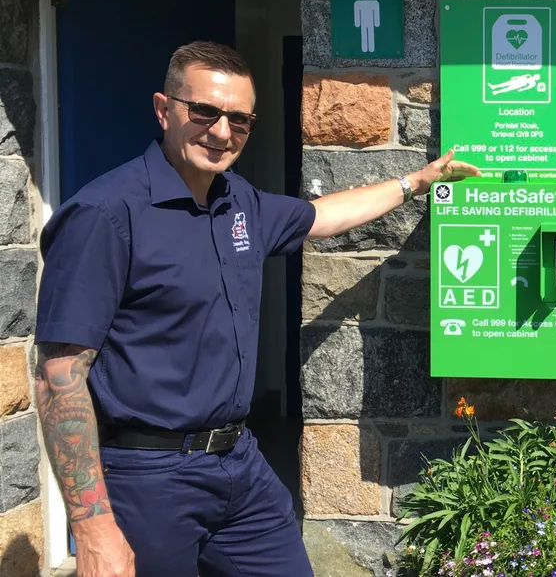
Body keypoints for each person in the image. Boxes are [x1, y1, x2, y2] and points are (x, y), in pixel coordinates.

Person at [33, 40, 479, 577]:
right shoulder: (104, 215)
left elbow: (321, 216)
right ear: (163, 109)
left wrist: (417, 181)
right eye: (205, 112)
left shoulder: (236, 200)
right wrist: (93, 528)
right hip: (149, 477)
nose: (222, 132)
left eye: (240, 120)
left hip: (238, 464)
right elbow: (59, 376)